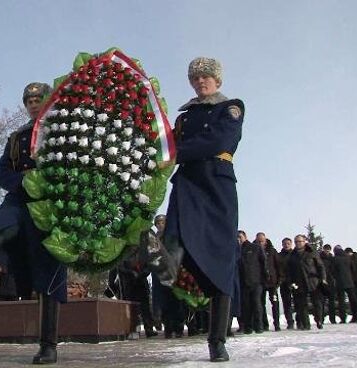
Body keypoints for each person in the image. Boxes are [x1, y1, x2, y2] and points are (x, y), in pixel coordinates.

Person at [0, 82, 67, 365]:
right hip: (20, 198)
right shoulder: (17, 137)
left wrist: (46, 184)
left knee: (48, 276)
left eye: (37, 98)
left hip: (50, 205)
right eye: (28, 100)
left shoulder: (61, 130)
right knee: (6, 218)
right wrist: (23, 182)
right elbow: (2, 170)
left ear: (47, 100)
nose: (32, 103)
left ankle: (48, 345)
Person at [161, 57, 244, 362]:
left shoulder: (231, 107)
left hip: (216, 185)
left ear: (217, 81)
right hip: (186, 184)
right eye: (195, 78)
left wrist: (175, 154)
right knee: (172, 240)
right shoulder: (184, 117)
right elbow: (163, 143)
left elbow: (219, 139)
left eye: (206, 77)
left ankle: (217, 340)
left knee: (221, 263)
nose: (200, 82)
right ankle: (175, 275)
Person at [287, 234, 327, 330]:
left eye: (300, 241)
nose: (298, 243)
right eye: (296, 242)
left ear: (304, 242)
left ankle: (319, 320)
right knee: (302, 304)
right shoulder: (292, 255)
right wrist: (290, 282)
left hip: (313, 281)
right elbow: (289, 271)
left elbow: (320, 266)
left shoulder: (312, 252)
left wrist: (323, 279)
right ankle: (306, 324)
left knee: (317, 303)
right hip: (299, 282)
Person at [239, 231, 266, 334]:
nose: (238, 239)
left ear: (245, 237)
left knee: (256, 303)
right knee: (245, 305)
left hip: (256, 281)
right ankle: (248, 327)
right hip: (243, 282)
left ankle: (259, 326)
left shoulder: (255, 248)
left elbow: (263, 263)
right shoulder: (236, 250)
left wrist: (264, 278)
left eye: (240, 237)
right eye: (237, 237)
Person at [255, 234, 281, 331]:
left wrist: (279, 280)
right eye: (258, 241)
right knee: (261, 304)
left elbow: (278, 266)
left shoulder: (272, 251)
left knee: (275, 303)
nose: (260, 243)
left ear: (265, 241)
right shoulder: (254, 251)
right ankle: (264, 324)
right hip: (260, 282)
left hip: (272, 282)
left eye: (262, 241)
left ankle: (277, 324)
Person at [333, 245, 357, 323]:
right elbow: (353, 269)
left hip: (339, 283)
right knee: (353, 299)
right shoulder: (348, 258)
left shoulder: (335, 259)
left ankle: (343, 318)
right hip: (349, 282)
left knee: (341, 301)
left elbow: (332, 271)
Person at [277, 238, 295, 329]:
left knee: (298, 302)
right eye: (284, 243)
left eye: (288, 243)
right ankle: (290, 322)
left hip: (295, 281)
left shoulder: (295, 254)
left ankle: (300, 321)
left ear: (291, 244)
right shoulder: (279, 256)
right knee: (286, 303)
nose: (286, 245)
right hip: (284, 282)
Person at [319, 244, 337, 324]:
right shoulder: (320, 258)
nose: (327, 251)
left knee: (331, 302)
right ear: (323, 249)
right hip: (322, 282)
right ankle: (321, 318)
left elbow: (335, 270)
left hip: (331, 281)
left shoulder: (332, 259)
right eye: (326, 249)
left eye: (328, 249)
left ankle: (332, 319)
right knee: (321, 301)